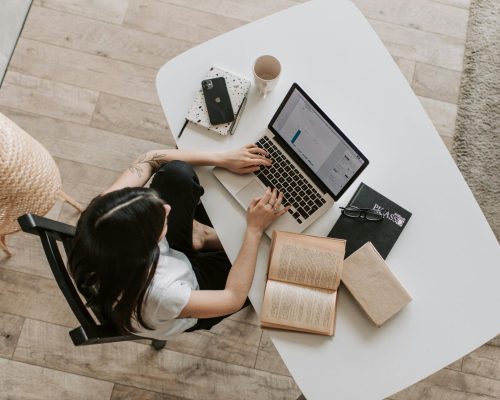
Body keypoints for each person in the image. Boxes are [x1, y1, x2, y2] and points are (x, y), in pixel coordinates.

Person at [68, 145, 288, 340]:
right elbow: (232, 298)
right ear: (148, 245)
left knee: (176, 173)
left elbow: (149, 158)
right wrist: (254, 230)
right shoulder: (163, 294)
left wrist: (221, 158)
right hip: (191, 291)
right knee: (271, 263)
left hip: (158, 264)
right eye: (160, 220)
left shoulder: (102, 215)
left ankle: (199, 237)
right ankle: (202, 237)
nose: (167, 208)